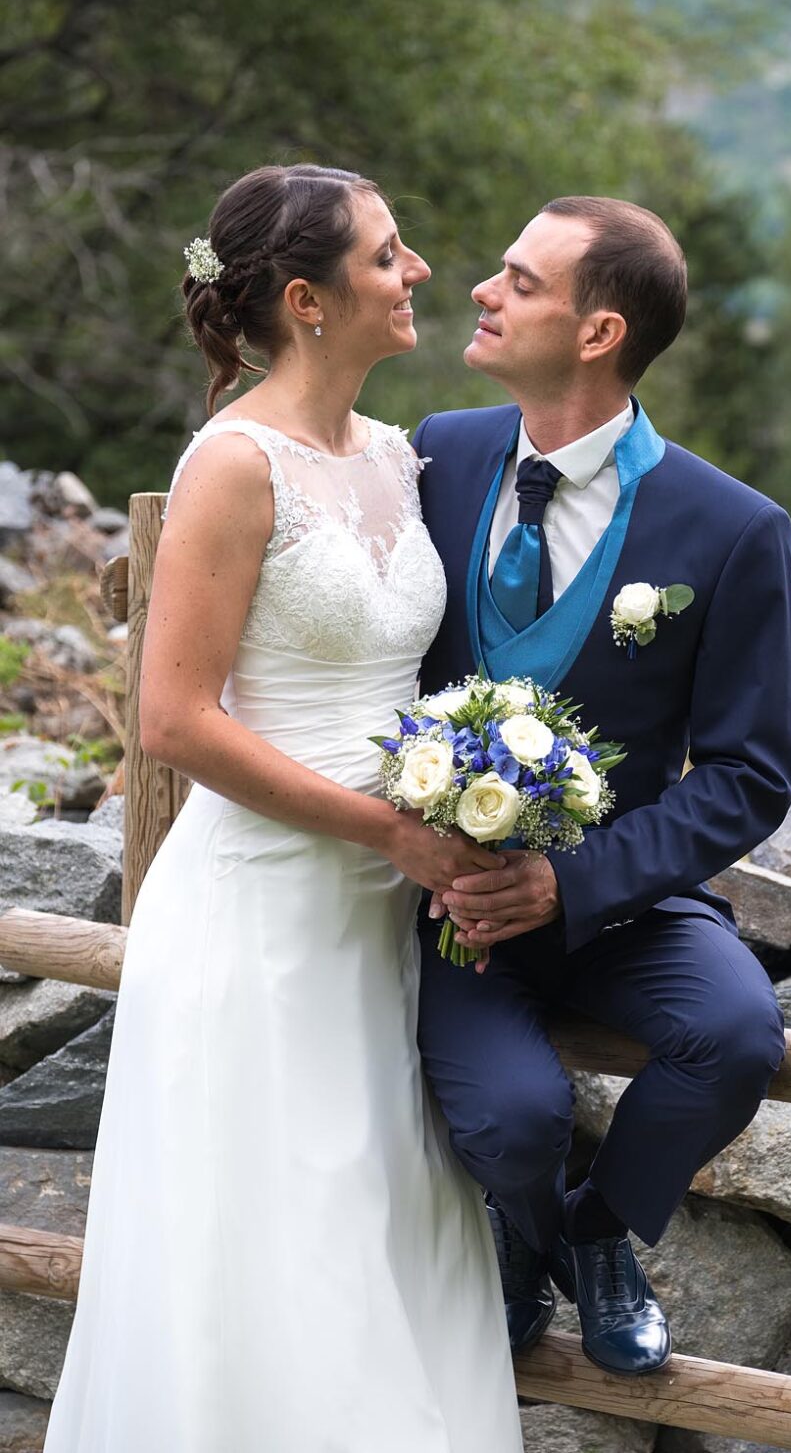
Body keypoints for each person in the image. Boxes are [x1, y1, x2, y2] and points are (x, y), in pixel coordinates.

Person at [43, 164, 524, 1453]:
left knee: (376, 1232)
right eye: (388, 255)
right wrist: (392, 831)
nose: (419, 269)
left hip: (384, 923)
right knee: (270, 1251)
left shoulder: (395, 455)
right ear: (307, 301)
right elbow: (174, 721)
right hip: (259, 918)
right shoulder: (231, 465)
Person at [413, 196, 791, 1376]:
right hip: (447, 912)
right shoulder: (439, 453)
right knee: (513, 1117)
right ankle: (529, 1229)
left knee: (736, 1035)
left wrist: (569, 882)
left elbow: (747, 773)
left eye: (519, 281)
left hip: (620, 901)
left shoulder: (731, 527)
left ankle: (597, 1236)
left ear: (596, 333)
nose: (482, 290)